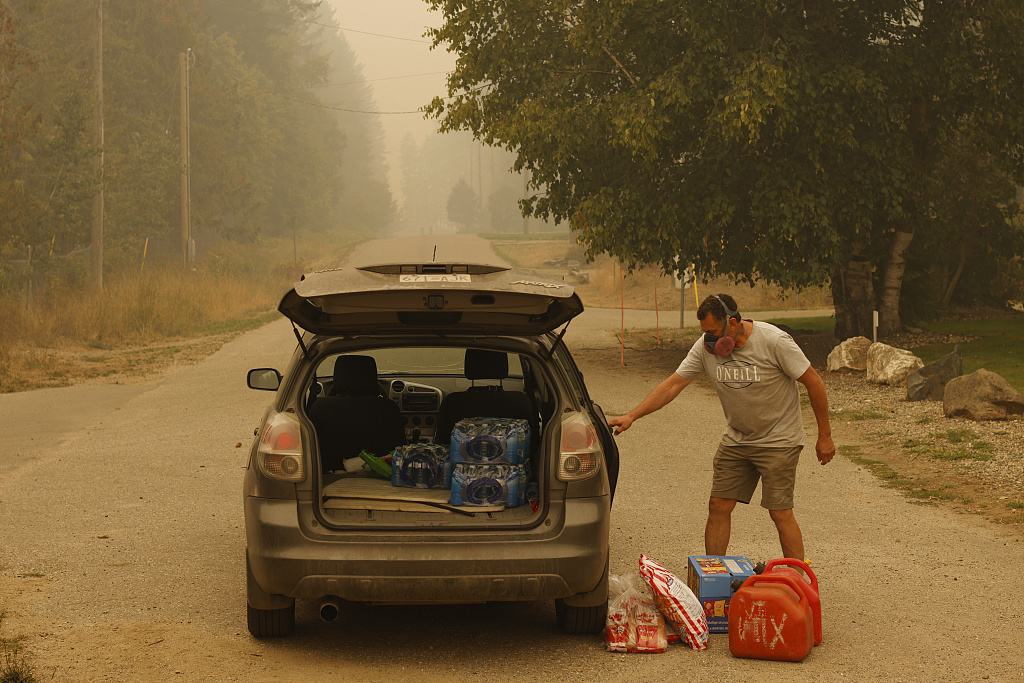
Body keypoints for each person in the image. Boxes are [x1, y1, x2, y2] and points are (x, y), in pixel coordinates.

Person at [607, 294, 835, 561]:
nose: (710, 340)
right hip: (737, 439)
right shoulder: (704, 347)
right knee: (718, 505)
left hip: (779, 440)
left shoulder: (774, 341)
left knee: (779, 512)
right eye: (705, 333)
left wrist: (825, 436)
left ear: (734, 322)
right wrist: (632, 415)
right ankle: (713, 578)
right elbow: (673, 385)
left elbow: (814, 382)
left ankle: (798, 582)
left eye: (713, 332)